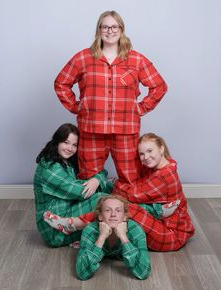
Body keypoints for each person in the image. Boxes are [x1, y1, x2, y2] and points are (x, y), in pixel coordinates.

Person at [54, 10, 167, 195]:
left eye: (114, 26)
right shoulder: (83, 57)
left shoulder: (136, 59)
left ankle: (130, 218)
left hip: (125, 130)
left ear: (121, 30)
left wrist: (140, 108)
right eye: (105, 26)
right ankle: (91, 219)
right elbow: (61, 83)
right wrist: (76, 107)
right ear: (99, 30)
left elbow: (159, 86)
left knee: (131, 178)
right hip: (92, 129)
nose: (110, 30)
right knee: (88, 179)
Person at [43, 132, 195, 251]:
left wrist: (117, 184)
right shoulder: (160, 168)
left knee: (124, 208)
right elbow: (137, 189)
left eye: (150, 151)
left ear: (161, 148)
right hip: (162, 223)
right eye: (142, 154)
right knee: (116, 205)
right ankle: (91, 236)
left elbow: (133, 195)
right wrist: (114, 183)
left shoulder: (165, 175)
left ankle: (73, 225)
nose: (146, 157)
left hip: (171, 235)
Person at [34, 123, 113, 247]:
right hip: (53, 228)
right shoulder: (49, 167)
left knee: (112, 192)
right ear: (57, 142)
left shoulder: (67, 161)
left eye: (74, 145)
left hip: (69, 209)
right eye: (66, 142)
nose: (70, 148)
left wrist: (97, 178)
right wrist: (98, 179)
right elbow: (82, 191)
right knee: (106, 201)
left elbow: (99, 172)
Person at [76, 195, 151, 280]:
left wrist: (123, 237)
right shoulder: (90, 230)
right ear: (100, 216)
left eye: (118, 210)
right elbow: (81, 272)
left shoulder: (135, 230)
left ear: (124, 217)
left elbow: (144, 272)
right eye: (108, 210)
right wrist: (101, 237)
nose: (113, 214)